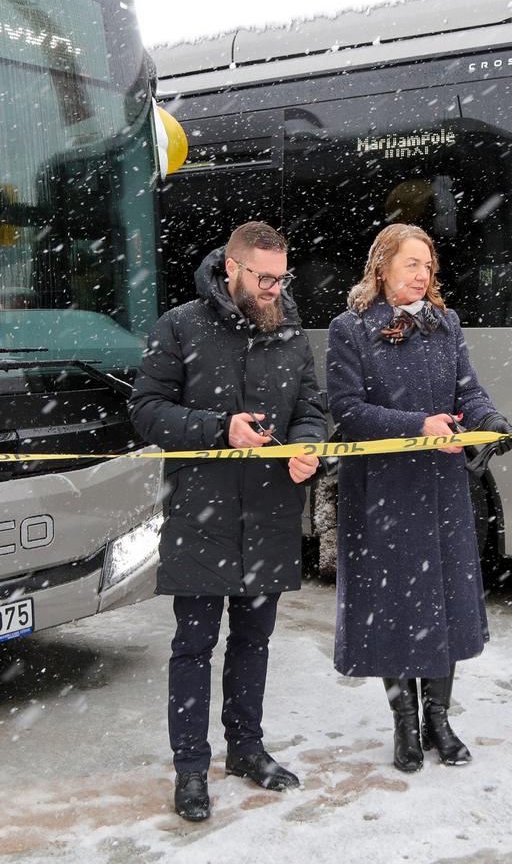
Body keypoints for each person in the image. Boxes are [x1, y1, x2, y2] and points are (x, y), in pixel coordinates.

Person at [326, 222, 512, 773]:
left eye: (428, 265)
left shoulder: (445, 324)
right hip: (381, 491)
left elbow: (467, 390)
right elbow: (349, 412)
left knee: (441, 606)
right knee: (395, 608)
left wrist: (494, 423)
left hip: (442, 490)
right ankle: (404, 724)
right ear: (382, 268)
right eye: (411, 265)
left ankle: (439, 721)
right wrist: (416, 425)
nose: (423, 275)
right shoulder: (350, 329)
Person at [129, 221, 326, 822]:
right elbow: (146, 411)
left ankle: (246, 749)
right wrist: (220, 429)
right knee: (193, 646)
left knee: (254, 642)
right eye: (263, 277)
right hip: (201, 516)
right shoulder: (180, 325)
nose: (274, 289)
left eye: (281, 277)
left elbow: (311, 410)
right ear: (232, 269)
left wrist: (307, 449)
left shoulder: (291, 333)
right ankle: (191, 769)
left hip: (268, 516)